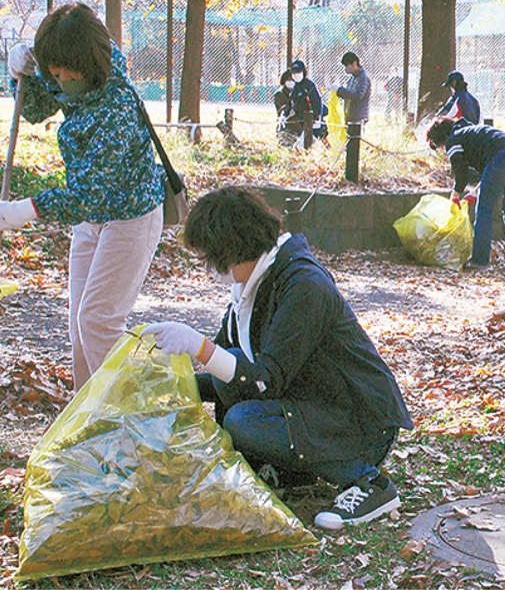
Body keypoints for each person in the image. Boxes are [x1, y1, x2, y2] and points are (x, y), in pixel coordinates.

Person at [144, 187, 412, 530]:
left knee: (244, 421)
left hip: (356, 420)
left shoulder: (303, 284)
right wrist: (171, 388)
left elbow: (264, 379)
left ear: (234, 248)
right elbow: (229, 367)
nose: (210, 269)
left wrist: (198, 347)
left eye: (211, 257)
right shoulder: (251, 285)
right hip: (312, 402)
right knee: (233, 378)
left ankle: (369, 482)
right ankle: (290, 471)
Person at [0, 3, 164, 389]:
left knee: (98, 321)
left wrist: (25, 210)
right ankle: (88, 417)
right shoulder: (73, 67)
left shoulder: (115, 107)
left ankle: (126, 412)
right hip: (92, 219)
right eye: (54, 71)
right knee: (79, 327)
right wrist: (23, 72)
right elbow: (35, 107)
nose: (60, 79)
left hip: (131, 216)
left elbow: (86, 196)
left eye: (66, 72)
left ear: (89, 65)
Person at [426, 117, 505, 270]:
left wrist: (455, 194)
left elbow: (461, 172)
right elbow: (489, 168)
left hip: (502, 157)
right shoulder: (470, 131)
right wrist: (475, 191)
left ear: (441, 138)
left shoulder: (453, 140)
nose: (441, 149)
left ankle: (480, 260)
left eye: (437, 145)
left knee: (484, 210)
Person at [273, 66, 314, 149]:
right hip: (287, 124)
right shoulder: (280, 94)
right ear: (284, 81)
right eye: (288, 80)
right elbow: (283, 110)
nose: (291, 82)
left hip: (300, 124)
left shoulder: (299, 91)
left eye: (292, 80)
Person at [336, 51, 371, 124]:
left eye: (347, 66)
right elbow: (348, 94)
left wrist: (340, 90)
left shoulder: (363, 78)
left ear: (354, 64)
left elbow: (358, 95)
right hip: (351, 116)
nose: (346, 69)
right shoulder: (352, 78)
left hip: (359, 117)